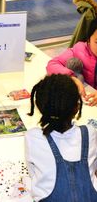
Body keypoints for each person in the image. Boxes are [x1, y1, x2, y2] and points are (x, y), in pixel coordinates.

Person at [25, 74, 97, 202]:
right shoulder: (90, 133)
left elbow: (34, 174)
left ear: (39, 105)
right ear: (77, 107)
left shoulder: (33, 137)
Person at [46, 17, 97, 106]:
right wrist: (71, 77)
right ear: (88, 40)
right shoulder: (80, 50)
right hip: (85, 100)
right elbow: (52, 64)